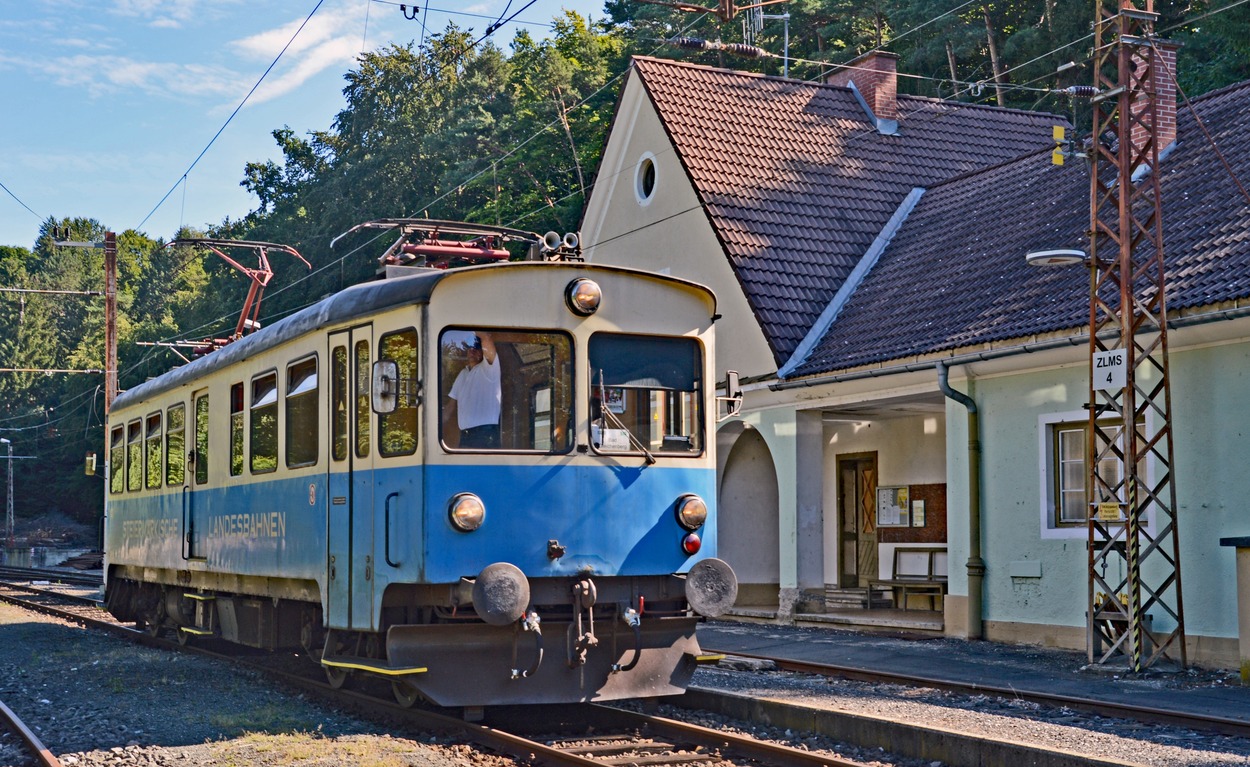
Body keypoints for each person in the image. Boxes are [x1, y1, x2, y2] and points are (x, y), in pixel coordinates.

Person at [446, 332, 501, 448]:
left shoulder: (490, 368)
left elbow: (487, 338)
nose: (472, 350)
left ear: (483, 351)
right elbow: (450, 407)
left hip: (485, 434)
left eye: (477, 347)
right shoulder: (462, 374)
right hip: (465, 436)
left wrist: (464, 318)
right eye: (469, 347)